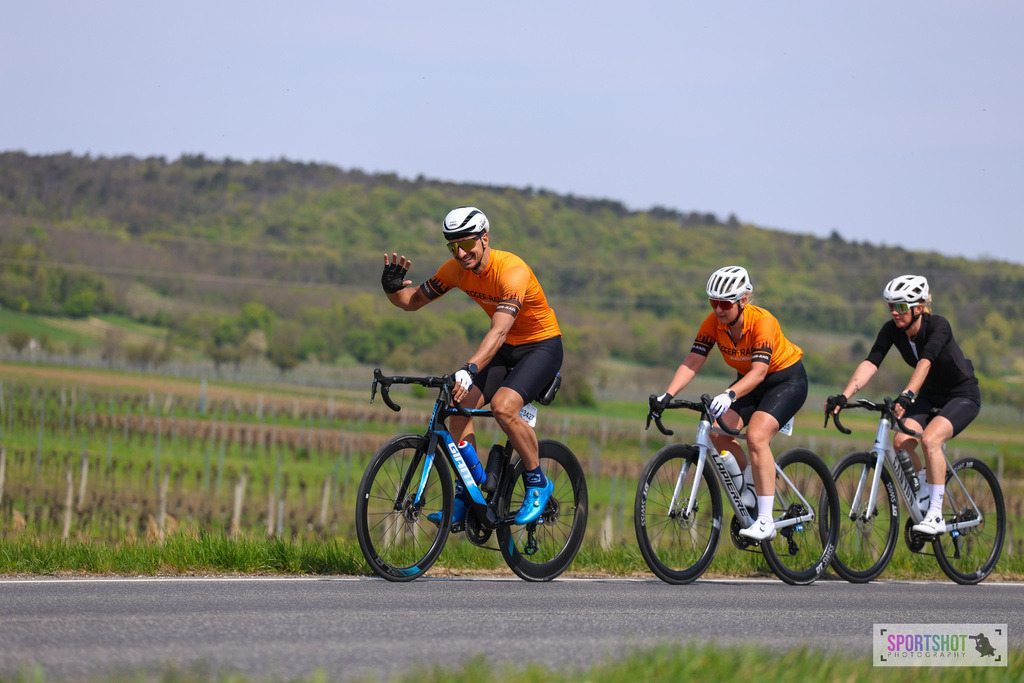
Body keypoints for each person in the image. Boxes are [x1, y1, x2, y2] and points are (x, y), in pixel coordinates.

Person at [381, 206, 563, 529]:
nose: (461, 253)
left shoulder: (512, 271)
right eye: (454, 247)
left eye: (467, 245)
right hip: (505, 350)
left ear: (484, 239)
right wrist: (392, 291)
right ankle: (473, 492)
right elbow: (412, 301)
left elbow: (500, 329)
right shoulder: (455, 270)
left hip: (541, 346)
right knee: (456, 407)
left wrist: (470, 367)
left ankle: (537, 481)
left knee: (504, 407)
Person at [647, 266, 807, 541]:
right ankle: (751, 489)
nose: (718, 310)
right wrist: (667, 395)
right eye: (713, 303)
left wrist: (730, 394)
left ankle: (766, 521)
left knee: (757, 436)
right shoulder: (713, 324)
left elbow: (759, 371)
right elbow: (693, 361)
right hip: (748, 382)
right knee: (717, 433)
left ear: (743, 300)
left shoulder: (763, 322)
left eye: (724, 303)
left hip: (785, 381)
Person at [826, 274, 980, 536]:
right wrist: (844, 395)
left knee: (930, 440)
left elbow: (925, 363)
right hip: (930, 395)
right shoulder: (892, 330)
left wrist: (907, 394)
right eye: (891, 306)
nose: (894, 313)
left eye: (900, 307)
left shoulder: (939, 326)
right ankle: (925, 491)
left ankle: (935, 513)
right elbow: (871, 362)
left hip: (961, 394)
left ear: (918, 308)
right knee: (900, 443)